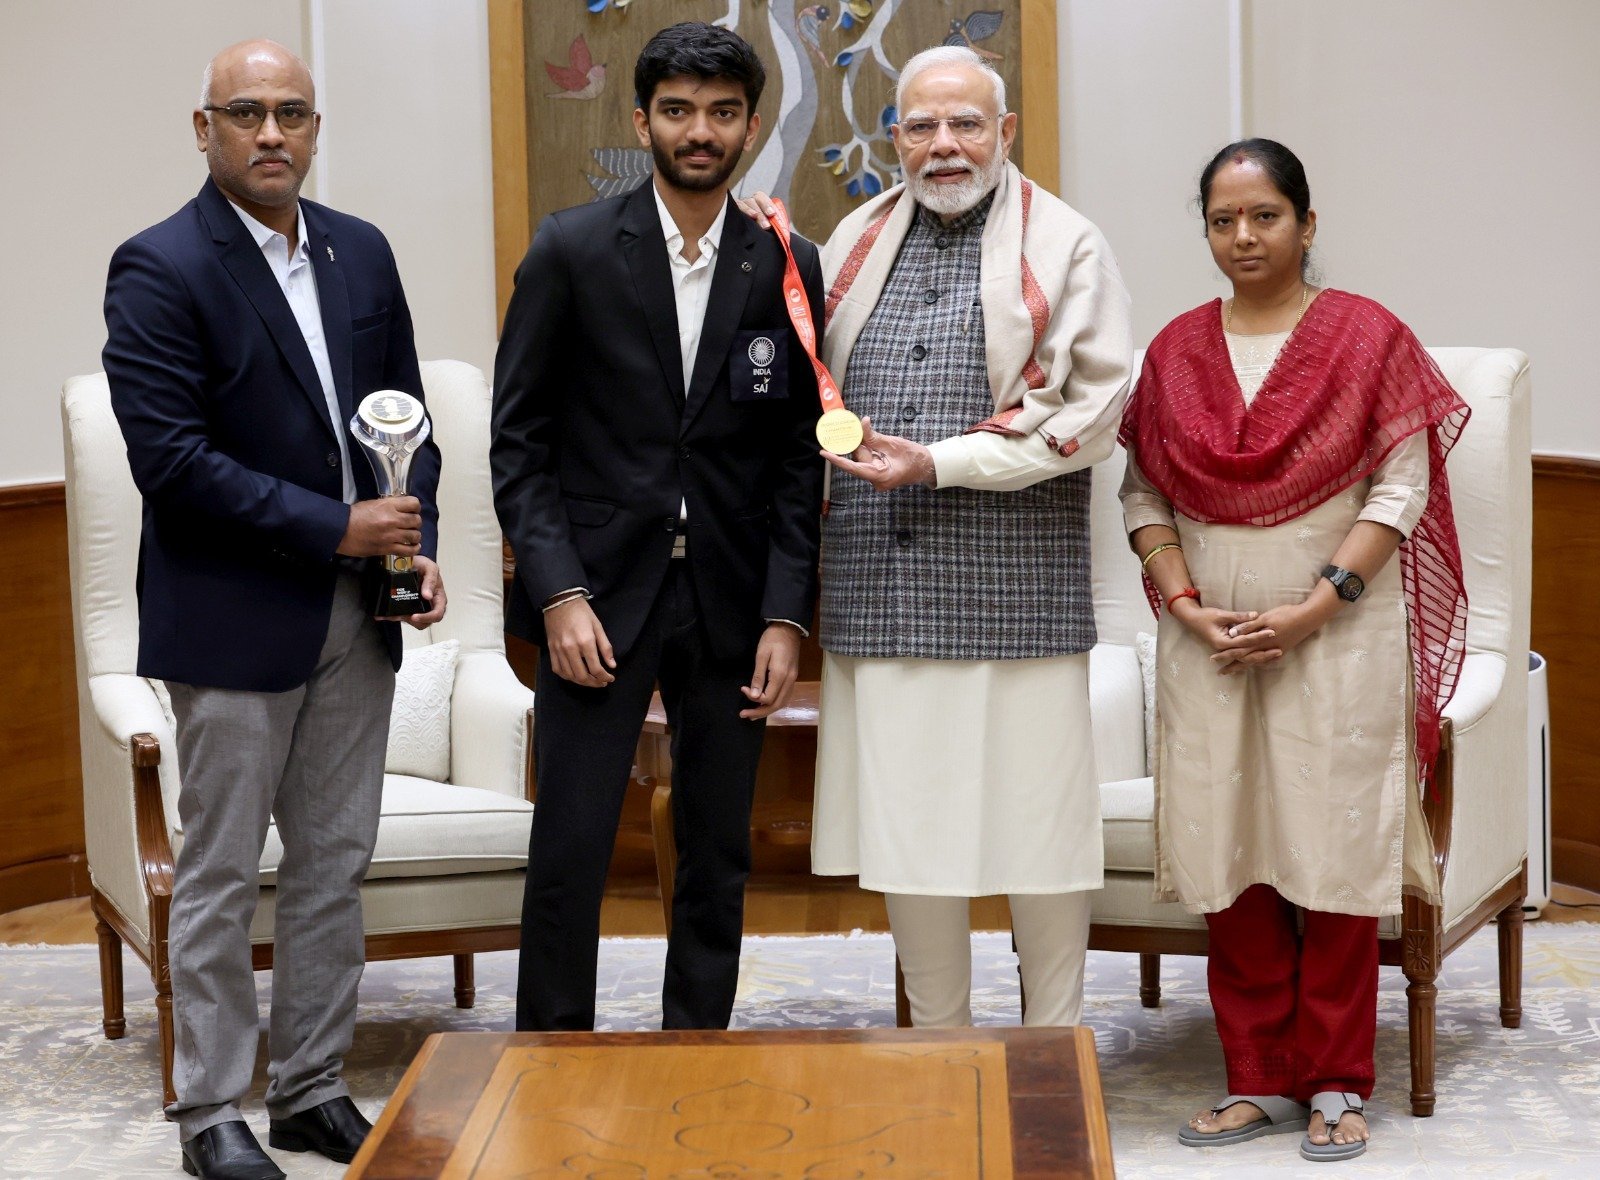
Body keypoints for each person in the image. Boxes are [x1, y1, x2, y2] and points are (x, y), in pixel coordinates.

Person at [102, 39, 444, 1180]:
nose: (271, 134)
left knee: (333, 863)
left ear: (313, 126)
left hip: (359, 620)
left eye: (292, 113)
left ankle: (306, 1089)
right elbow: (173, 461)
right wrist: (334, 526)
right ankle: (210, 1110)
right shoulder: (160, 266)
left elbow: (406, 425)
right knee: (219, 869)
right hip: (235, 618)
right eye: (244, 113)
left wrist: (412, 546)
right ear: (203, 130)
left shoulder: (362, 250)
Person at [746, 44, 1132, 1029]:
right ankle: (941, 1045)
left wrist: (938, 461)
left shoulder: (1067, 243)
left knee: (1041, 832)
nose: (944, 144)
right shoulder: (860, 234)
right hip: (881, 584)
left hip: (1019, 590)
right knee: (909, 832)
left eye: (965, 123)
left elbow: (1090, 412)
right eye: (920, 125)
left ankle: (1053, 1042)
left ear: (1005, 133)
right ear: (894, 139)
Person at [1118, 138, 1469, 1163]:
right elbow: (1141, 490)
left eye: (1264, 216)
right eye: (1222, 220)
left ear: (1305, 224)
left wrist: (1318, 605)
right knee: (1232, 847)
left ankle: (1334, 1079)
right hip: (1209, 639)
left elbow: (1399, 490)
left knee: (1333, 846)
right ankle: (1256, 1079)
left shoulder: (1368, 338)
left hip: (1341, 635)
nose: (1242, 237)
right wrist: (1183, 603)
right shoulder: (1176, 349)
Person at [491, 22, 823, 1033]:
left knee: (719, 849)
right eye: (677, 110)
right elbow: (518, 445)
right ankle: (552, 1050)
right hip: (593, 600)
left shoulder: (786, 261)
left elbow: (798, 458)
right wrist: (555, 592)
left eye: (722, 113)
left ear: (751, 126)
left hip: (729, 603)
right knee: (573, 846)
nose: (699, 130)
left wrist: (784, 615)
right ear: (642, 121)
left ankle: (695, 1047)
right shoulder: (572, 249)